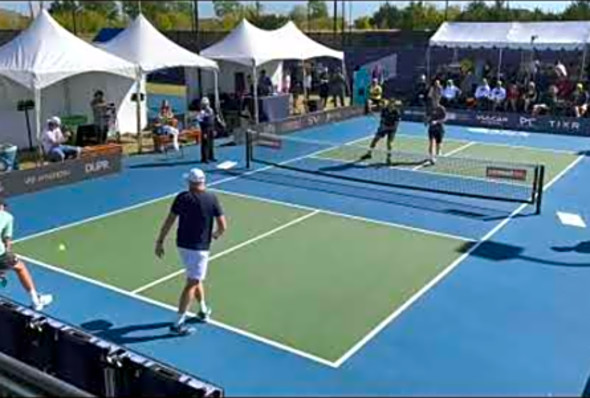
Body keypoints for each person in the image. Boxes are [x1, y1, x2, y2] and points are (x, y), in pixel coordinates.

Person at [155, 168, 227, 335]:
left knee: (195, 278)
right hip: (199, 249)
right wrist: (215, 235)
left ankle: (202, 310)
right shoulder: (212, 198)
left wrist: (160, 241)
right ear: (203, 181)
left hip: (182, 245)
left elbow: (169, 221)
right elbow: (223, 226)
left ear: (190, 182)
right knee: (192, 283)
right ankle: (177, 324)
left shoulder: (181, 198)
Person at [0, 199, 53, 311]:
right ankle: (36, 300)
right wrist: (8, 256)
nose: (3, 208)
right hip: (1, 254)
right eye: (2, 206)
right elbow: (7, 239)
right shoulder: (7, 217)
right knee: (20, 268)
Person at [360, 99, 401, 165]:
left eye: (392, 104)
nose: (391, 105)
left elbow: (396, 125)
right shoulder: (384, 110)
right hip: (383, 127)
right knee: (374, 140)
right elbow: (382, 120)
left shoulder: (396, 112)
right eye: (390, 104)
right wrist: (382, 126)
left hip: (392, 129)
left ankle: (388, 158)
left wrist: (388, 127)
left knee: (389, 144)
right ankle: (369, 154)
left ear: (394, 105)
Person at [197, 97, 216, 164]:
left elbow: (213, 119)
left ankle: (211, 156)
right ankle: (204, 158)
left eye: (207, 104)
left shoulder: (211, 110)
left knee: (211, 143)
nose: (206, 105)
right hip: (205, 129)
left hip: (211, 127)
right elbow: (200, 122)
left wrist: (214, 129)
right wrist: (204, 131)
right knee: (205, 143)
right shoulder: (202, 112)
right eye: (205, 104)